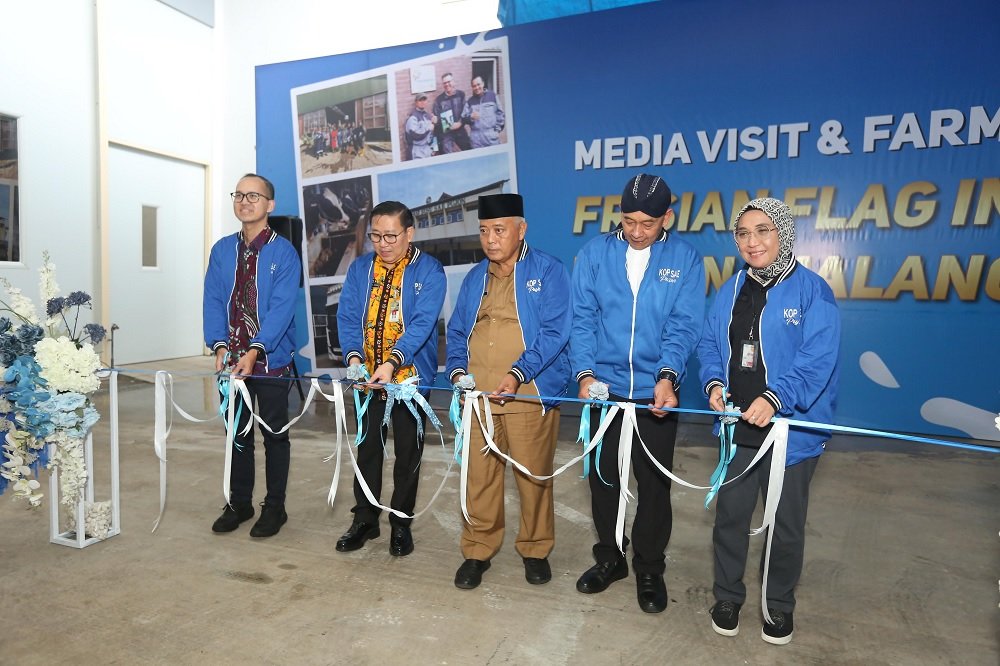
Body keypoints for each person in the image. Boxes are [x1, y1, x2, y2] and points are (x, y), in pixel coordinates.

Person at [698, 197, 840, 645]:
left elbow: (818, 360)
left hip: (790, 432)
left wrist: (776, 398)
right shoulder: (730, 288)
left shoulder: (813, 291)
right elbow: (709, 344)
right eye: (743, 233)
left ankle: (778, 604)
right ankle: (727, 596)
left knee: (785, 524)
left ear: (784, 234)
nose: (752, 241)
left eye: (763, 230)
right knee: (730, 518)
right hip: (737, 426)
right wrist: (713, 384)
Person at [570, 173, 705, 613]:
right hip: (604, 391)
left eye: (648, 223)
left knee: (654, 485)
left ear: (668, 217)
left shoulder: (685, 259)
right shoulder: (595, 254)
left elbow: (684, 325)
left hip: (655, 394)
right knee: (603, 479)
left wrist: (668, 376)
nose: (637, 231)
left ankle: (649, 566)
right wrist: (585, 375)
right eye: (629, 221)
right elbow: (582, 319)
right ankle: (610, 559)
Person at [446, 193, 571, 590]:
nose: (491, 239)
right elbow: (456, 331)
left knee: (533, 477)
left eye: (499, 230)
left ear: (522, 230)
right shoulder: (474, 278)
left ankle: (535, 550)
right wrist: (457, 372)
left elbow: (555, 333)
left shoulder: (548, 271)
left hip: (528, 394)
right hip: (479, 398)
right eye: (484, 231)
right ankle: (477, 550)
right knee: (478, 478)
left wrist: (518, 374)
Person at [335, 200, 446, 556]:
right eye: (375, 236)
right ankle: (365, 520)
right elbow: (348, 317)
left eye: (391, 236)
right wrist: (355, 358)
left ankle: (401, 523)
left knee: (408, 455)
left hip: (408, 382)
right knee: (367, 450)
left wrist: (392, 362)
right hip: (367, 380)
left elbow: (422, 325)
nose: (382, 244)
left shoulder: (429, 271)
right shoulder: (360, 269)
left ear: (409, 233)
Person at [203, 173, 300, 538]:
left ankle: (275, 507)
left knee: (275, 435)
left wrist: (258, 348)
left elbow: (282, 308)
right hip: (232, 363)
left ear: (269, 205)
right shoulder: (222, 250)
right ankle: (239, 503)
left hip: (270, 361)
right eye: (239, 195)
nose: (245, 202)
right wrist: (219, 344)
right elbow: (213, 300)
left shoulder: (284, 252)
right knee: (237, 434)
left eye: (253, 196)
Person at [432, 72, 471, 153]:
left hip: (460, 129)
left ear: (453, 82)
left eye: (449, 82)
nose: (447, 84)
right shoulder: (439, 100)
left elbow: (466, 112)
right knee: (446, 154)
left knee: (469, 150)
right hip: (446, 133)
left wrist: (460, 123)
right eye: (444, 83)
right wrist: (434, 146)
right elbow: (436, 120)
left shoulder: (461, 95)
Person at [461, 76, 505, 149]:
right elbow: (463, 118)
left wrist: (497, 130)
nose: (477, 87)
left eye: (478, 84)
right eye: (474, 86)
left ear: (483, 84)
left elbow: (500, 113)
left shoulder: (492, 96)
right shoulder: (469, 101)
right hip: (476, 140)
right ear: (472, 87)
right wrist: (470, 117)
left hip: (491, 138)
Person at [404, 93, 437, 159]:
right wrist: (429, 127)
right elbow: (416, 135)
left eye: (424, 100)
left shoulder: (428, 115)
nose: (422, 102)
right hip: (416, 150)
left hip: (427, 150)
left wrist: (434, 147)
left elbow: (432, 133)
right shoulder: (413, 117)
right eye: (420, 100)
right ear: (416, 102)